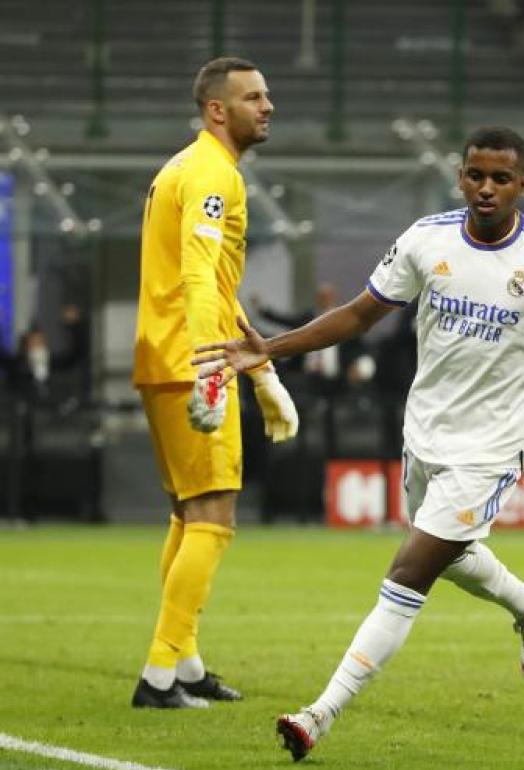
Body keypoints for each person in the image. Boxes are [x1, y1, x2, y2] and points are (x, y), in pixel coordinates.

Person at [191, 126, 524, 762]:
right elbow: (361, 313)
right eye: (476, 175)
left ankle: (318, 713)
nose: (487, 188)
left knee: (409, 571)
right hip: (424, 434)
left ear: (523, 185)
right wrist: (271, 348)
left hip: (490, 450)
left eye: (501, 178)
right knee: (448, 553)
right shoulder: (426, 240)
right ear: (460, 177)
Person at [130, 57, 300, 709]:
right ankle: (157, 674)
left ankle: (187, 662)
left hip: (165, 355)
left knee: (186, 511)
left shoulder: (187, 166)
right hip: (189, 361)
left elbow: (213, 285)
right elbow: (200, 281)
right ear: (217, 110)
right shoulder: (210, 175)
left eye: (268, 94)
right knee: (214, 517)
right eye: (255, 97)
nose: (269, 106)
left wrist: (262, 374)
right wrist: (212, 368)